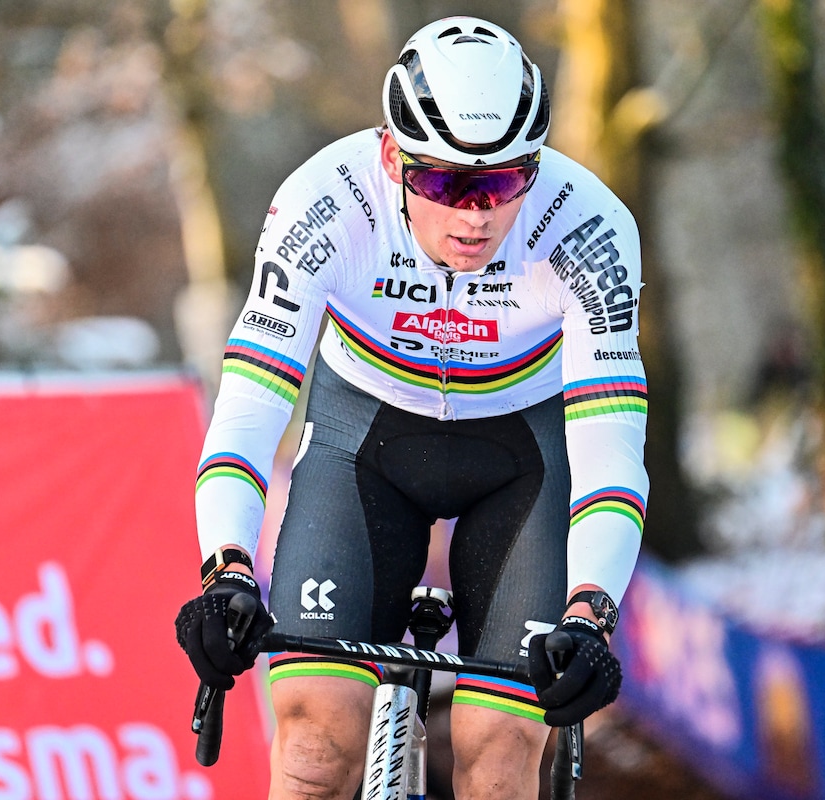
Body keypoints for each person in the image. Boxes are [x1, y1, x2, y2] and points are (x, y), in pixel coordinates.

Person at [176, 15, 649, 800]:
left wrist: (590, 614)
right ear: (392, 157)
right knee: (313, 747)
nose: (476, 215)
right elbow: (250, 408)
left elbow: (610, 451)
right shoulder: (324, 205)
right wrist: (224, 569)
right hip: (365, 444)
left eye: (500, 183)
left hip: (521, 459)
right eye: (445, 184)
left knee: (499, 758)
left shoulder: (588, 227)